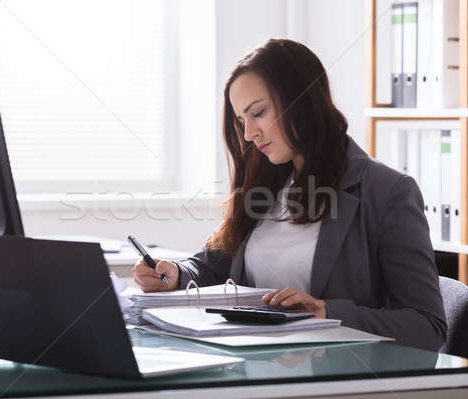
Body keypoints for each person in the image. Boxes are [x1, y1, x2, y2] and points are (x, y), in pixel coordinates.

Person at [132, 38, 446, 351]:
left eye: (258, 113)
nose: (248, 134)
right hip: (256, 367)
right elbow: (214, 265)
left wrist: (325, 312)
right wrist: (173, 273)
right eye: (242, 121)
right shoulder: (265, 186)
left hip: (337, 375)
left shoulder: (388, 193)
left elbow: (426, 326)